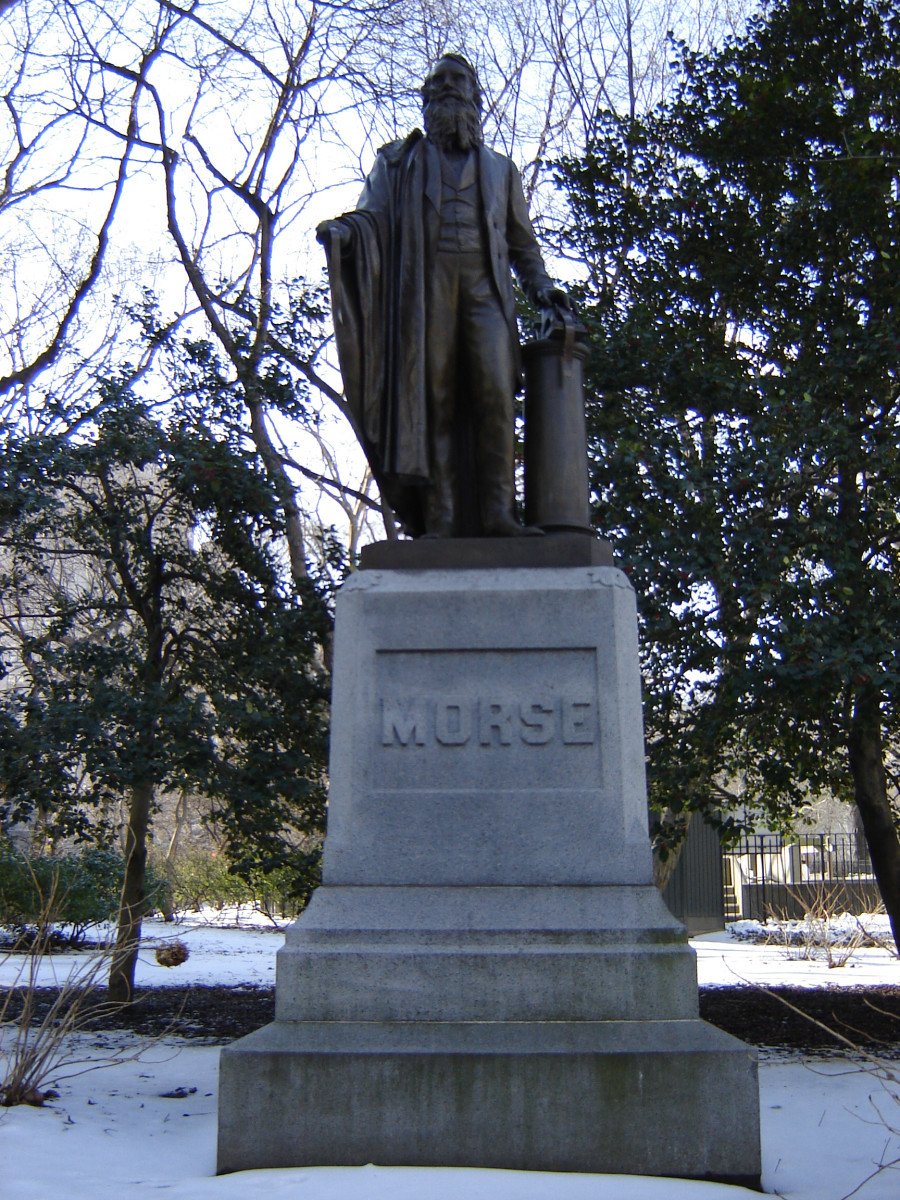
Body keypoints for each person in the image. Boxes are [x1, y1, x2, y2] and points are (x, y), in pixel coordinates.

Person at [317, 54, 570, 538]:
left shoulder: (501, 169)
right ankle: (440, 518)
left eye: (459, 81)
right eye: (438, 82)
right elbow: (370, 216)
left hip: (485, 289)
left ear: (476, 97)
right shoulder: (397, 162)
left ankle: (499, 513)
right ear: (426, 97)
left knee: (495, 394)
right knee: (433, 398)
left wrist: (542, 287)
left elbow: (522, 243)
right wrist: (344, 233)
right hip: (425, 292)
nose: (448, 88)